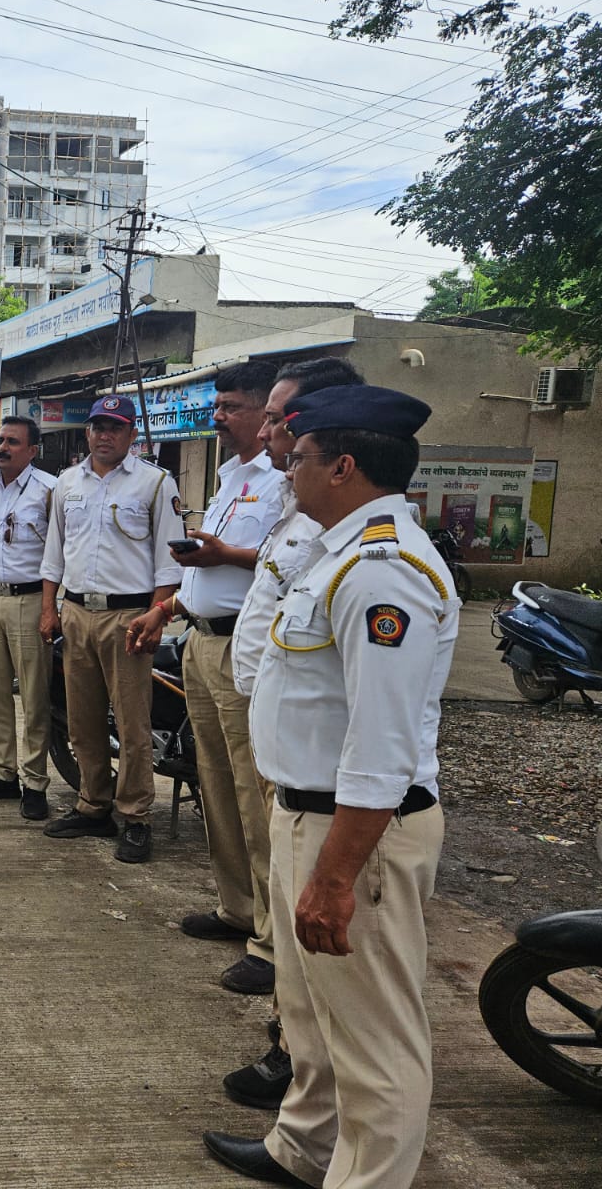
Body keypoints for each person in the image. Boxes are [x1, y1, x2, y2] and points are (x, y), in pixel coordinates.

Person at [202, 385, 459, 1189]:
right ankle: (305, 1148)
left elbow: (382, 747)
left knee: (375, 1042)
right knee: (311, 1014)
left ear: (343, 466)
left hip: (355, 832)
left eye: (302, 456)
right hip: (304, 811)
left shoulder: (385, 572)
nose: (288, 468)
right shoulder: (334, 551)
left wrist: (338, 876)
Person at [220, 355, 368, 1112]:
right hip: (277, 731)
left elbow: (378, 721)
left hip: (319, 767)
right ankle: (296, 1055)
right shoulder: (295, 506)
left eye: (283, 419)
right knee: (280, 892)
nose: (270, 432)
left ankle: (300, 1058)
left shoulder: (357, 543)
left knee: (319, 929)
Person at [126, 361, 286, 996]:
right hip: (200, 641)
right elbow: (208, 572)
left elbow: (284, 562)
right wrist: (166, 608)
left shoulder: (282, 481)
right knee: (214, 782)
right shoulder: (230, 479)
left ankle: (272, 939)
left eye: (233, 407)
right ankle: (237, 908)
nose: (219, 417)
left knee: (254, 792)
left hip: (244, 648)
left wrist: (226, 555)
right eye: (217, 406)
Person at [38, 394, 182, 864]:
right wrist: (49, 608)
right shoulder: (67, 483)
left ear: (131, 434)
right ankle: (93, 804)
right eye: (98, 426)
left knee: (132, 722)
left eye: (116, 427)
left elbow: (168, 561)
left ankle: (136, 816)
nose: (105, 435)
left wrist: (158, 614)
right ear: (87, 432)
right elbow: (55, 552)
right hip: (77, 612)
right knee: (82, 719)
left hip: (129, 616)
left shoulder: (155, 482)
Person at [0, 415, 57, 820]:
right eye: (0, 440)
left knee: (34, 696)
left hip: (29, 600)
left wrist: (52, 607)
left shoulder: (49, 490)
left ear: (32, 450)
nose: (3, 447)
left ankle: (35, 781)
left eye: (13, 442)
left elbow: (58, 553)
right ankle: (2, 772)